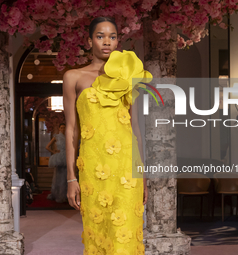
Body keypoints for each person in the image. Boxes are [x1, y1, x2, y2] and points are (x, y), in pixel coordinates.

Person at [63, 17, 150, 254]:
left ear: (118, 41)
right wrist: (72, 178)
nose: (106, 42)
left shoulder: (129, 77)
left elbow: (136, 130)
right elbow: (71, 129)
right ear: (89, 40)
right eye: (100, 36)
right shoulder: (74, 77)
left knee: (125, 237)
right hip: (94, 169)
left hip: (126, 169)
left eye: (112, 36)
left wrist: (141, 175)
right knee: (98, 234)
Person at [46, 123, 68, 203]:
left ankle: (65, 195)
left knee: (65, 176)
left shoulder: (68, 136)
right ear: (59, 128)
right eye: (61, 127)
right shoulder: (56, 136)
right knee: (58, 176)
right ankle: (57, 194)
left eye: (64, 128)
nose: (63, 129)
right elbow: (47, 147)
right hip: (60, 157)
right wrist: (53, 152)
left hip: (66, 156)